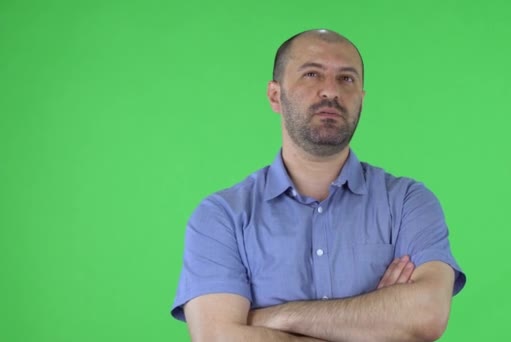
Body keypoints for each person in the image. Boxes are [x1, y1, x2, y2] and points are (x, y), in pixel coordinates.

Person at [171, 28, 466, 341]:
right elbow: (218, 338)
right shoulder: (221, 217)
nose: (331, 92)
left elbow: (428, 314)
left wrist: (272, 318)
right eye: (312, 74)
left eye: (346, 79)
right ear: (275, 95)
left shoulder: (408, 201)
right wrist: (377, 322)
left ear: (361, 99)